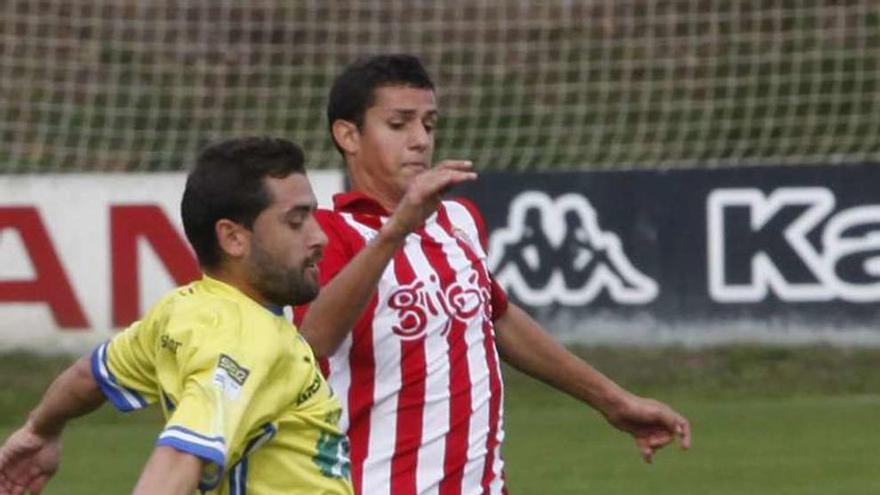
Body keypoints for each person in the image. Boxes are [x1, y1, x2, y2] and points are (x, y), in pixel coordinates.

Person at [293, 54, 692, 495]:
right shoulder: (327, 233)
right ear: (348, 135)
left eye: (428, 123)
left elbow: (497, 317)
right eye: (399, 124)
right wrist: (396, 230)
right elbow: (313, 341)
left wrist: (614, 402)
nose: (420, 140)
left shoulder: (458, 221)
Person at [0, 137, 353, 495]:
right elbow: (182, 455)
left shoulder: (183, 310)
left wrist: (39, 431)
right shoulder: (246, 338)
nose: (319, 236)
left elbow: (92, 374)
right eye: (296, 221)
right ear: (232, 238)